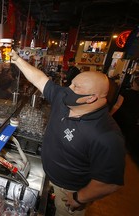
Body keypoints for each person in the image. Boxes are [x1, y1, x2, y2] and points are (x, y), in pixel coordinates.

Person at [9, 50, 125, 216]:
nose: (67, 89)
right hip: (50, 175)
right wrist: (17, 59)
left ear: (91, 98)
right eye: (71, 83)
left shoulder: (107, 135)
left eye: (75, 87)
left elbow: (109, 182)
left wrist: (79, 198)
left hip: (69, 191)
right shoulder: (65, 99)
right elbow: (40, 79)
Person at [110, 71, 139, 153]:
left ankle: (113, 149)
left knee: (116, 133)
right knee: (125, 136)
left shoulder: (125, 92)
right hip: (132, 118)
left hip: (121, 116)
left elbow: (117, 105)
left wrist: (110, 114)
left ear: (134, 83)